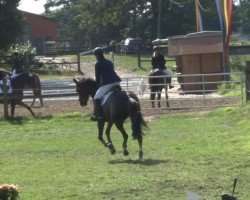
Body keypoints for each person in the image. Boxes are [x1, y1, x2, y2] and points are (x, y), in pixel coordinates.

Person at [90, 47, 122, 121]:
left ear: (96, 55)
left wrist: (97, 86)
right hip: (117, 82)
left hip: (107, 84)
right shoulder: (109, 62)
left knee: (96, 98)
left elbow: (98, 78)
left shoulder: (97, 64)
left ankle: (98, 115)